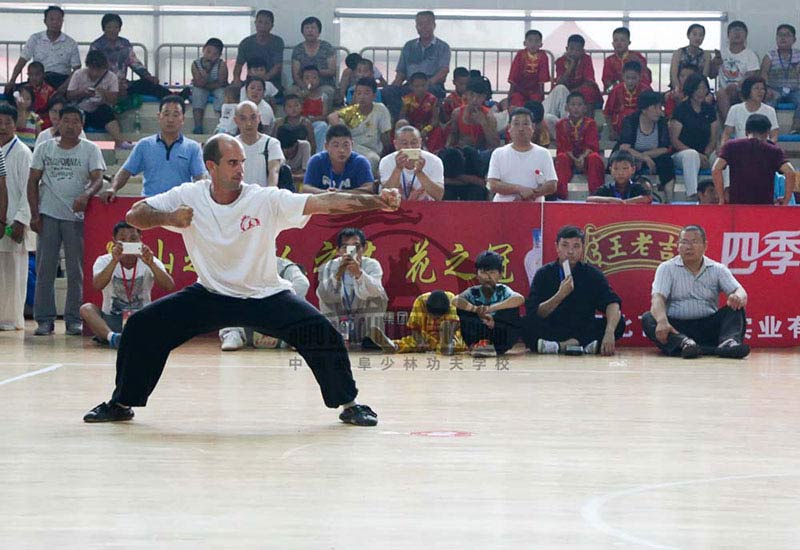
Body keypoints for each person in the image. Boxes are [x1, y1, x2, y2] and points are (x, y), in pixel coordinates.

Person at [82, 133, 402, 426]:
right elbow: (135, 215)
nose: (240, 169)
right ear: (211, 166)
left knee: (323, 333)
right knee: (141, 327)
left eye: (242, 163)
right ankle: (122, 403)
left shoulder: (264, 199)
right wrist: (169, 218)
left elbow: (326, 202)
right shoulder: (188, 196)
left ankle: (349, 403)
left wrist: (377, 201)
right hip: (209, 295)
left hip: (265, 295)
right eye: (232, 163)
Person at [27, 106, 106, 336]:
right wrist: (34, 214)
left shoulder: (90, 150)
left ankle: (74, 319)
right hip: (48, 215)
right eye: (67, 121)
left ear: (82, 125)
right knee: (45, 270)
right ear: (58, 123)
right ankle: (44, 320)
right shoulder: (44, 148)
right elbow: (33, 182)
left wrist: (86, 194)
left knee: (76, 271)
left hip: (77, 218)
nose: (71, 126)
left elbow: (98, 179)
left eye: (76, 121)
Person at [641, 224, 750, 359]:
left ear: (705, 246)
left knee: (736, 309)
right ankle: (685, 344)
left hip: (708, 326)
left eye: (694, 242)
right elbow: (657, 298)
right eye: (684, 242)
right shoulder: (666, 268)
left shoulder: (718, 269)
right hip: (677, 327)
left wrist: (737, 296)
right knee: (648, 318)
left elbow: (740, 291)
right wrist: (662, 321)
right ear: (678, 245)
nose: (689, 247)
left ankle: (727, 344)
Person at [522, 225, 625, 355]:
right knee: (525, 324)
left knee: (618, 323)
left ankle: (560, 347)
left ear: (582, 248)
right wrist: (560, 295)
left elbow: (612, 303)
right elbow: (536, 313)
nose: (570, 251)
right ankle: (583, 345)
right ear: (557, 247)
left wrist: (609, 332)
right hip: (553, 328)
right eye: (565, 245)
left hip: (582, 327)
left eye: (576, 246)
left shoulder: (592, 274)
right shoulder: (544, 274)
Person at [80, 221, 174, 348]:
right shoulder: (104, 260)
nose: (128, 242)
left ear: (141, 239)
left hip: (141, 318)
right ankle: (113, 338)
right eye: (123, 239)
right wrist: (114, 261)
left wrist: (151, 264)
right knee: (86, 309)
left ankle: (135, 337)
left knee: (167, 308)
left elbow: (169, 286)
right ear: (114, 241)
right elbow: (97, 286)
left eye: (133, 239)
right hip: (111, 320)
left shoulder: (150, 260)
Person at [103, 96, 206, 200]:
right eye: (166, 114)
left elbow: (200, 178)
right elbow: (125, 171)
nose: (170, 119)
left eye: (175, 115)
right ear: (159, 116)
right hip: (150, 204)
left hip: (180, 205)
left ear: (183, 119)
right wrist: (113, 188)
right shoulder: (144, 145)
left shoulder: (193, 148)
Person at [316, 227, 388, 349]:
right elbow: (324, 295)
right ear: (338, 250)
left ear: (364, 248)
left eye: (356, 247)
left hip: (363, 321)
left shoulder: (372, 265)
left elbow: (375, 290)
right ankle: (332, 336)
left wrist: (359, 273)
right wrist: (339, 273)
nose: (351, 252)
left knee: (380, 293)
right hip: (339, 319)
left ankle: (371, 338)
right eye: (345, 247)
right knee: (324, 291)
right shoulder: (329, 266)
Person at [221, 257, 311, 350]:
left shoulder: (285, 267)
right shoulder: (243, 267)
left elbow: (302, 284)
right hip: (250, 322)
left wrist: (279, 304)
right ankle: (232, 336)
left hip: (282, 322)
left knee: (301, 309)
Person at [452, 250, 524, 357]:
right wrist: (476, 310)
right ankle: (476, 346)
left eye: (492, 273)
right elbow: (455, 300)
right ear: (477, 274)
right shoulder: (473, 292)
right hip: (479, 331)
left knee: (512, 310)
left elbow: (519, 299)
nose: (487, 277)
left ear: (500, 275)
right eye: (483, 272)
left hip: (498, 334)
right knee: (462, 310)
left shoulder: (503, 290)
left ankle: (494, 347)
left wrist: (491, 309)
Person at [712, 113, 795, 205]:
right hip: (764, 206)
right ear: (767, 132)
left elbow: (716, 169)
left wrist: (721, 198)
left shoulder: (731, 146)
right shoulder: (774, 150)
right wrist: (786, 199)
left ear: (746, 132)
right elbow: (790, 172)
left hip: (737, 206)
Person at [0, 104, 33, 330]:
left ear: (15, 124)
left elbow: (28, 190)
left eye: (7, 122)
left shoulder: (22, 152)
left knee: (13, 272)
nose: (2, 127)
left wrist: (21, 220)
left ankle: (10, 319)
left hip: (13, 221)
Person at [383, 11, 451, 118]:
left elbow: (443, 72)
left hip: (432, 85)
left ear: (434, 25)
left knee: (428, 92)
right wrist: (395, 85)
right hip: (410, 84)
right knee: (388, 91)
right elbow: (401, 72)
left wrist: (424, 85)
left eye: (428, 23)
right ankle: (401, 122)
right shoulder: (408, 46)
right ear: (416, 27)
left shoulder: (443, 47)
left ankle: (421, 122)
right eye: (420, 24)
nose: (424, 27)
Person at [89, 13, 171, 102]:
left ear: (120, 29)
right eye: (109, 27)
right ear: (103, 28)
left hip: (124, 86)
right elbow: (93, 71)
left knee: (148, 84)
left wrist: (148, 77)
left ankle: (175, 98)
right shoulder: (96, 46)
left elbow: (134, 63)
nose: (112, 30)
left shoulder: (125, 44)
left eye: (116, 27)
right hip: (104, 88)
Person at [5, 6, 80, 95]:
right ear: (45, 21)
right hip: (38, 78)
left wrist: (64, 88)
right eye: (51, 19)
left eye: (58, 20)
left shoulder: (71, 43)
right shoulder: (35, 39)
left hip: (61, 81)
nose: (55, 22)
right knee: (13, 92)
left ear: (62, 22)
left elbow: (76, 69)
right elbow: (22, 60)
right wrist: (12, 80)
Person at [66, 50, 132, 150]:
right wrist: (82, 92)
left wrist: (104, 93)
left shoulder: (111, 77)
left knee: (107, 112)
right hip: (81, 109)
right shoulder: (78, 74)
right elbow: (69, 95)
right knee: (74, 115)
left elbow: (114, 99)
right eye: (92, 69)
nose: (95, 73)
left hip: (99, 110)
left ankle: (119, 141)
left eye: (98, 70)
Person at [488, 107, 556, 202]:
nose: (520, 129)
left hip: (534, 208)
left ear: (533, 127)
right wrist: (519, 189)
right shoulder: (498, 153)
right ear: (509, 128)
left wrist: (531, 195)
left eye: (525, 124)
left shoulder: (543, 154)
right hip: (503, 208)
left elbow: (552, 185)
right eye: (516, 124)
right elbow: (493, 184)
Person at [669, 73, 719, 201]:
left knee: (722, 158)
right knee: (691, 155)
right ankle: (693, 196)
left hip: (705, 153)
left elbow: (714, 137)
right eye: (698, 89)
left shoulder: (709, 110)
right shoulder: (681, 109)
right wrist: (697, 154)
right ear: (691, 89)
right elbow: (675, 140)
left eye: (704, 88)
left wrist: (707, 153)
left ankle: (724, 194)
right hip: (682, 154)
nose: (701, 92)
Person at [369, 290, 465, 355]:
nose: (436, 319)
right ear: (427, 309)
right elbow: (414, 328)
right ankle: (392, 346)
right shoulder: (420, 301)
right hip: (426, 336)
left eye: (438, 317)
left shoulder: (452, 300)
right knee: (411, 342)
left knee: (459, 342)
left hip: (449, 334)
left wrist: (447, 338)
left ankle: (448, 345)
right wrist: (421, 342)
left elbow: (455, 324)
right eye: (433, 316)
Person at [616, 91, 675, 194]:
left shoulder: (661, 121)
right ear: (644, 109)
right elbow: (624, 147)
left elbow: (665, 148)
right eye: (655, 107)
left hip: (653, 156)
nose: (659, 112)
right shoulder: (631, 120)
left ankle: (668, 197)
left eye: (660, 107)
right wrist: (642, 158)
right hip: (632, 156)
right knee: (626, 162)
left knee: (666, 161)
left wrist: (646, 155)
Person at [328, 78, 392, 174]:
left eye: (366, 93)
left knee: (372, 159)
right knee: (333, 126)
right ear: (354, 96)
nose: (362, 97)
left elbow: (385, 136)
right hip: (351, 146)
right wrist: (343, 134)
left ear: (374, 96)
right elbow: (331, 117)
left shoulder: (380, 109)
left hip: (371, 150)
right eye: (359, 93)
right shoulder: (351, 110)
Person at [555, 92, 605, 199]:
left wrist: (582, 157)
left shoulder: (590, 123)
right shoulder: (561, 124)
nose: (576, 108)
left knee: (595, 158)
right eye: (573, 105)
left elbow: (591, 145)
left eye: (579, 105)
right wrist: (574, 159)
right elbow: (563, 146)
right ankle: (561, 195)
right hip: (568, 159)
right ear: (566, 107)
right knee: (561, 158)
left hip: (586, 159)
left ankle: (597, 194)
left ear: (585, 108)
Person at [379, 125, 444, 201]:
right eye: (404, 143)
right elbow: (386, 196)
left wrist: (420, 173)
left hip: (426, 208)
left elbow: (439, 196)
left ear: (420, 143)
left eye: (414, 143)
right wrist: (398, 169)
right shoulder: (386, 161)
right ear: (395, 144)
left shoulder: (434, 161)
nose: (410, 147)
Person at [303, 124, 375, 193]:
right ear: (326, 146)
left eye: (345, 145)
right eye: (336, 145)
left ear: (352, 145)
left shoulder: (360, 162)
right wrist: (326, 193)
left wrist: (341, 193)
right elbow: (306, 188)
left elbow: (369, 188)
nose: (341, 150)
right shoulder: (316, 161)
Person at [233, 101, 284, 188]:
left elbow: (274, 171)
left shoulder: (271, 143)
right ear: (236, 120)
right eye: (243, 118)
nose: (249, 123)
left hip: (263, 196)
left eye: (253, 118)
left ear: (259, 118)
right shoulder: (231, 145)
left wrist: (269, 195)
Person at [716, 21, 761, 120]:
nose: (737, 33)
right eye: (734, 31)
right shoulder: (721, 53)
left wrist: (736, 86)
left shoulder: (751, 54)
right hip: (724, 91)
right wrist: (714, 63)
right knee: (720, 92)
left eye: (740, 30)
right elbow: (711, 75)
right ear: (728, 35)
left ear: (746, 35)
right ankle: (729, 125)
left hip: (743, 90)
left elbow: (751, 78)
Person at [233, 10, 285, 93]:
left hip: (271, 82)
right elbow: (238, 65)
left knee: (261, 90)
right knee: (230, 91)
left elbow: (277, 67)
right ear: (255, 23)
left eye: (266, 23)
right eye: (260, 22)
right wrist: (236, 81)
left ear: (272, 26)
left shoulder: (277, 42)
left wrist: (261, 80)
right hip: (250, 81)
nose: (262, 26)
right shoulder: (245, 43)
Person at [762, 24, 800, 134]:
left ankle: (796, 127)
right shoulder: (770, 55)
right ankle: (767, 130)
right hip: (774, 89)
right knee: (768, 102)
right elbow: (763, 73)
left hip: (795, 89)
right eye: (780, 35)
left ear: (794, 39)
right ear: (776, 38)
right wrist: (766, 88)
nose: (783, 38)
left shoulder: (799, 54)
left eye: (787, 35)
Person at [446, 76, 499, 152]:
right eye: (471, 94)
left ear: (484, 97)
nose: (475, 100)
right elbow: (452, 137)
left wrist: (484, 124)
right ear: (466, 94)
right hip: (461, 153)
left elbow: (495, 145)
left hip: (480, 155)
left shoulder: (489, 116)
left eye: (479, 96)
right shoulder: (457, 113)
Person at [722, 77, 779, 145]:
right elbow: (727, 134)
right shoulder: (735, 109)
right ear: (748, 90)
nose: (760, 91)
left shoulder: (770, 111)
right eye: (756, 88)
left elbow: (774, 135)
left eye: (762, 89)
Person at [290, 16, 337, 98]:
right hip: (302, 84)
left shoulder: (327, 47)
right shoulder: (298, 49)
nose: (310, 30)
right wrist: (305, 87)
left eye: (313, 28)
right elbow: (295, 75)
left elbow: (332, 71)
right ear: (302, 32)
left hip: (324, 85)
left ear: (319, 32)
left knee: (326, 93)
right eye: (307, 28)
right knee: (291, 91)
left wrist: (316, 73)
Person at [552, 34, 602, 111]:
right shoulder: (560, 61)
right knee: (559, 89)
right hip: (566, 90)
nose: (574, 52)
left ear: (582, 51)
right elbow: (560, 82)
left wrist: (575, 91)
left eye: (577, 50)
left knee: (589, 90)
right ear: (566, 48)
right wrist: (571, 66)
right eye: (571, 49)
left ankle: (587, 120)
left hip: (581, 89)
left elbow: (589, 80)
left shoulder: (586, 59)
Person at [603, 61, 651, 138]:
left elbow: (651, 111)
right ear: (623, 76)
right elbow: (607, 113)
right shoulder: (616, 90)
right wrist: (611, 131)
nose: (630, 81)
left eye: (634, 78)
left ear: (640, 76)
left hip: (641, 127)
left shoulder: (645, 90)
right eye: (627, 78)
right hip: (620, 127)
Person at [190, 38, 228, 134]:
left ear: (219, 56)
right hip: (204, 86)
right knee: (197, 93)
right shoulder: (195, 64)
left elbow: (221, 82)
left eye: (215, 54)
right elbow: (199, 83)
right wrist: (207, 70)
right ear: (203, 49)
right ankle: (198, 126)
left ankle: (222, 125)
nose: (210, 56)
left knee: (221, 94)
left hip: (217, 87)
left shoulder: (221, 64)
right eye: (208, 52)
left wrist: (205, 84)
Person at [587, 150, 652, 204]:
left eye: (625, 168)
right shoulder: (607, 188)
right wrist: (610, 200)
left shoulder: (636, 187)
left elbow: (648, 198)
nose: (620, 173)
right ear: (610, 171)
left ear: (633, 170)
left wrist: (626, 202)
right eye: (616, 168)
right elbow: (589, 199)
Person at [508, 30, 550, 107]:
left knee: (535, 105)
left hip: (535, 90)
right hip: (520, 89)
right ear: (525, 43)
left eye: (536, 41)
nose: (533, 44)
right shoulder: (520, 55)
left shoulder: (543, 56)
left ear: (541, 44)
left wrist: (541, 98)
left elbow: (542, 79)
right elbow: (514, 75)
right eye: (530, 40)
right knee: (516, 102)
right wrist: (509, 96)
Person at [602, 27, 652, 92]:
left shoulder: (637, 57)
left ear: (629, 42)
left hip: (638, 90)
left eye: (622, 40)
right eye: (616, 40)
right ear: (612, 43)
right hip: (618, 91)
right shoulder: (609, 60)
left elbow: (645, 77)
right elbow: (606, 81)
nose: (619, 43)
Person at [669, 24, 717, 91]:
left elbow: (704, 77)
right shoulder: (679, 53)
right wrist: (678, 90)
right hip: (679, 88)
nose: (698, 38)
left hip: (698, 90)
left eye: (701, 35)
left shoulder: (706, 55)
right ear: (688, 36)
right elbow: (673, 75)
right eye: (694, 34)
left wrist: (708, 60)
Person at [398, 72, 441, 148]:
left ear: (427, 85)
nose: (420, 89)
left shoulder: (433, 99)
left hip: (427, 128)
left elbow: (435, 120)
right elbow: (402, 117)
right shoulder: (407, 99)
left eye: (423, 85)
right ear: (411, 86)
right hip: (411, 127)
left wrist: (426, 130)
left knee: (438, 130)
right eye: (416, 86)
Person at [297, 65, 330, 151]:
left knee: (323, 125)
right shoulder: (299, 96)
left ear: (319, 80)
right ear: (302, 80)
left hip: (316, 122)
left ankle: (318, 151)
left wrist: (312, 120)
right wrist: (302, 99)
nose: (311, 80)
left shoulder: (323, 96)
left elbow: (324, 116)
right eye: (307, 78)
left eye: (314, 78)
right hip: (301, 121)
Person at [24, 62, 57, 128]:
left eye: (37, 74)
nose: (34, 77)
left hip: (44, 120)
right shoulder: (24, 90)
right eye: (31, 74)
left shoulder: (50, 91)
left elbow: (53, 109)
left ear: (43, 75)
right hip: (27, 118)